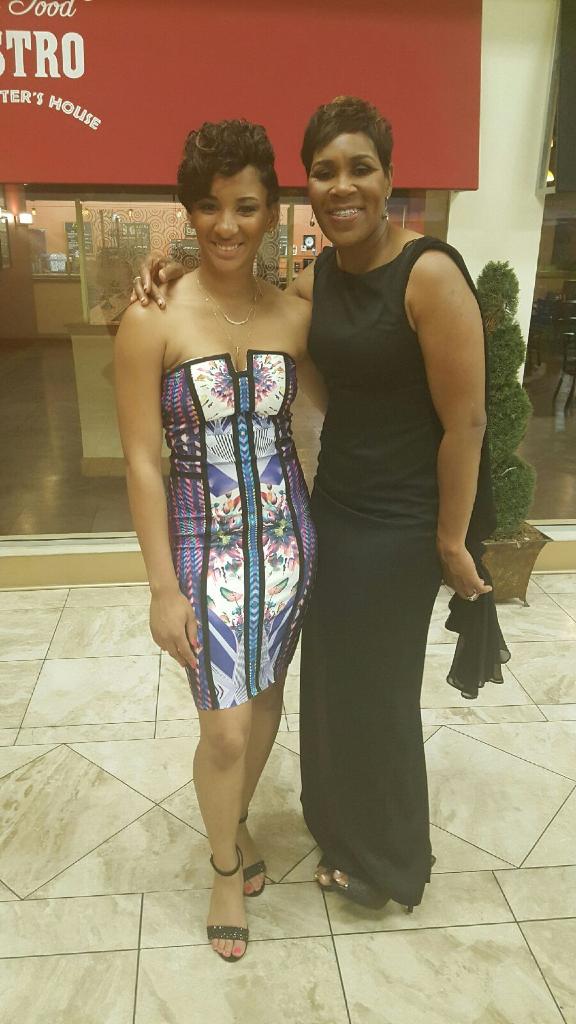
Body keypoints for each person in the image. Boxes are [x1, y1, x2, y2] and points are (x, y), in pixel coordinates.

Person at [132, 96, 508, 915]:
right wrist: (168, 265)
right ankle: (337, 832)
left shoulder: (428, 272)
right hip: (329, 510)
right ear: (306, 189)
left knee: (380, 693)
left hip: (402, 522)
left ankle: (389, 860)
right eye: (326, 171)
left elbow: (469, 422)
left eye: (360, 168)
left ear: (389, 178)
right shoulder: (318, 282)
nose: (344, 186)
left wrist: (451, 538)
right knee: (332, 688)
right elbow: (238, 296)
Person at [115, 119, 318, 963]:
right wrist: (163, 587)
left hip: (291, 548)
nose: (226, 225)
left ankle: (232, 818)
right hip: (203, 553)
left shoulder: (298, 313)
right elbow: (141, 461)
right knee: (225, 729)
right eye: (208, 207)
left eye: (245, 206)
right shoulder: (152, 316)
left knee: (265, 702)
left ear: (271, 211)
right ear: (188, 212)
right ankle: (224, 868)